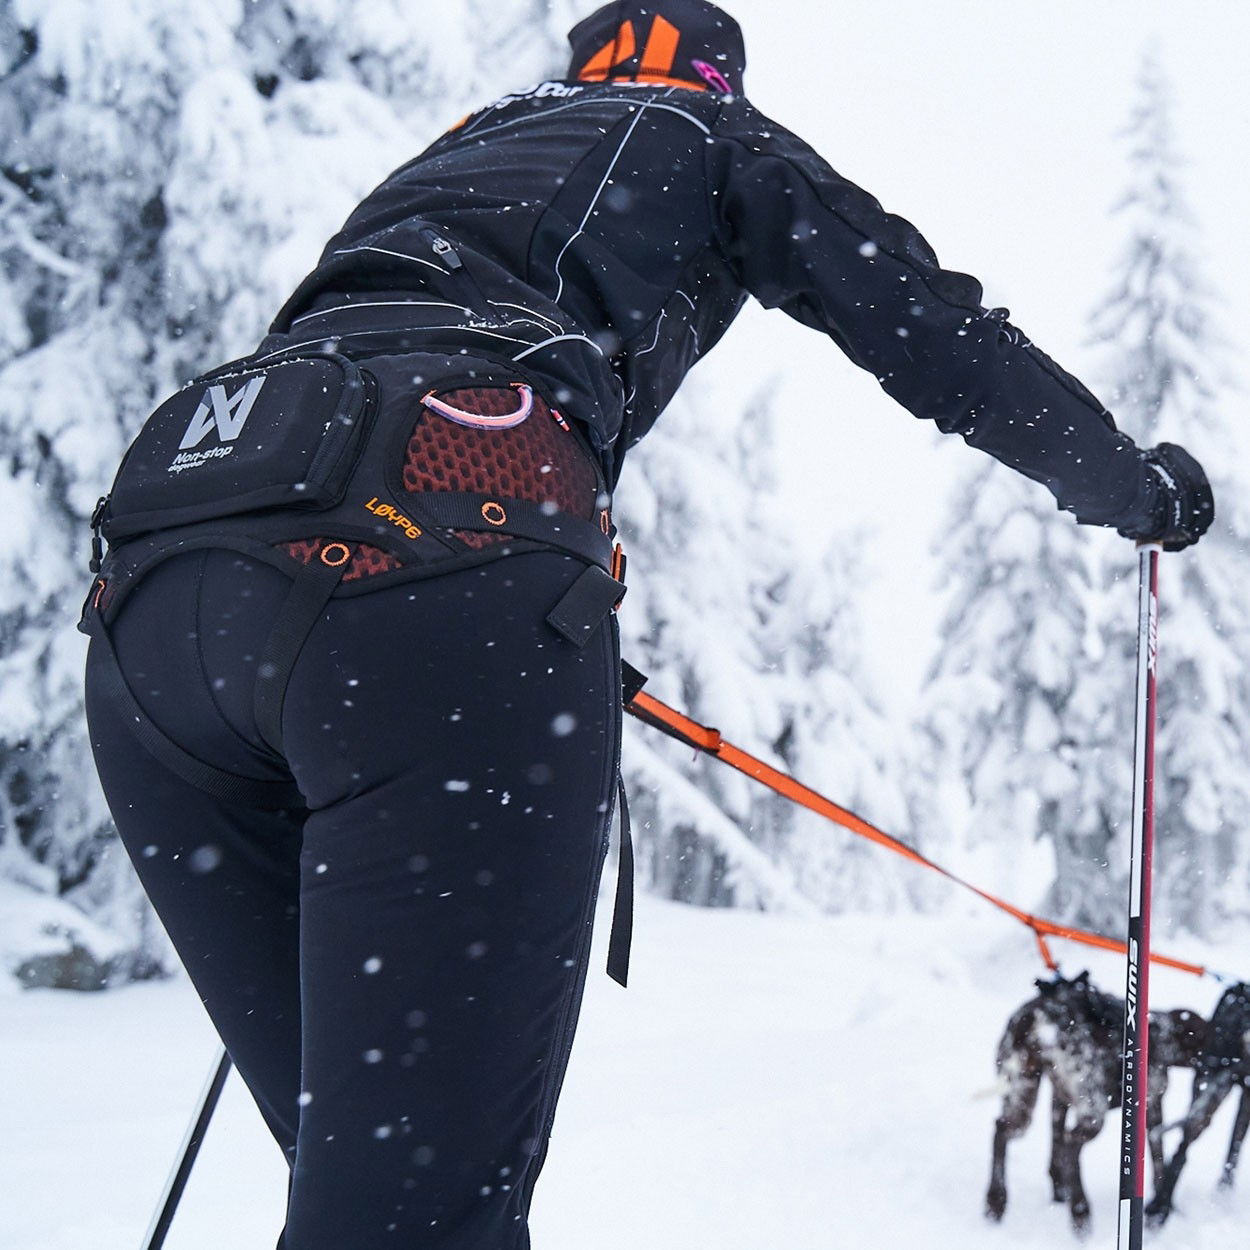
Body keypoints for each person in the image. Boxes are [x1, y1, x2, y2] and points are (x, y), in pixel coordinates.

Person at [82, 2, 1214, 1247]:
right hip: (434, 575)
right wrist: (1128, 486)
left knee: (371, 1180)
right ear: (715, 73)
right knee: (414, 1203)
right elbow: (930, 329)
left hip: (160, 589)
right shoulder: (708, 133)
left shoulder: (450, 151)